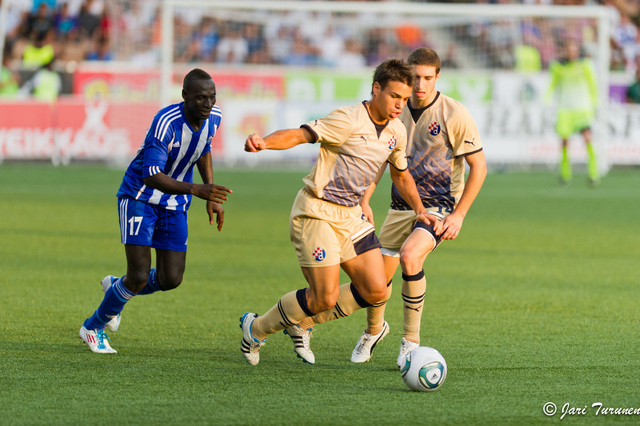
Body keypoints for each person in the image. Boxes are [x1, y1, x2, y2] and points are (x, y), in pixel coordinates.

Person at [292, 47, 486, 367]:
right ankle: (360, 329)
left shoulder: (455, 114)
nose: (420, 85)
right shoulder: (396, 106)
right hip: (399, 206)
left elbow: (479, 166)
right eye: (415, 77)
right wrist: (365, 200)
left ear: (438, 77)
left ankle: (410, 342)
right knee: (373, 287)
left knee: (411, 256)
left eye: (427, 78)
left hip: (436, 206)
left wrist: (459, 215)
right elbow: (380, 157)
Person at [240, 58, 435, 366]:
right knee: (323, 299)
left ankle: (299, 321)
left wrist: (420, 208)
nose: (400, 104)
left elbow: (400, 173)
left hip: (351, 216)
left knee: (376, 290)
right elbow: (300, 134)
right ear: (376, 89)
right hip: (317, 213)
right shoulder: (348, 119)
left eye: (404, 98)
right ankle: (256, 328)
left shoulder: (397, 130)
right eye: (394, 96)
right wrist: (264, 142)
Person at [79, 68, 232, 354]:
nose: (208, 104)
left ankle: (116, 288)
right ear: (185, 96)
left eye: (212, 97)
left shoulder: (215, 117)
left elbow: (204, 147)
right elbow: (151, 175)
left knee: (170, 279)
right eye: (200, 98)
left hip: (174, 203)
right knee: (137, 275)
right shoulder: (166, 122)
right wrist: (198, 190)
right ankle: (93, 327)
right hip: (140, 196)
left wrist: (210, 192)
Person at [546, 40, 600, 186]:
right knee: (564, 142)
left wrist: (595, 104)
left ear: (578, 51)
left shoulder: (586, 65)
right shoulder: (558, 67)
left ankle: (594, 173)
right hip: (565, 110)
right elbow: (553, 84)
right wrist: (546, 101)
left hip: (582, 109)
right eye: (569, 49)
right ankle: (565, 174)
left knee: (588, 139)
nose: (572, 53)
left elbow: (592, 84)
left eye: (574, 49)